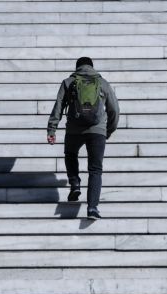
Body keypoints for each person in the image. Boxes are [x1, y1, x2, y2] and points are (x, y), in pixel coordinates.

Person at [47, 57, 119, 220]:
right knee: (95, 170)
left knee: (70, 154)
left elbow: (58, 106)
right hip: (97, 131)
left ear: (77, 67)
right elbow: (114, 109)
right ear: (92, 67)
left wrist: (52, 129)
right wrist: (108, 130)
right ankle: (92, 208)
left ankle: (75, 183)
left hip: (74, 129)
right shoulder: (103, 83)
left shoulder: (68, 82)